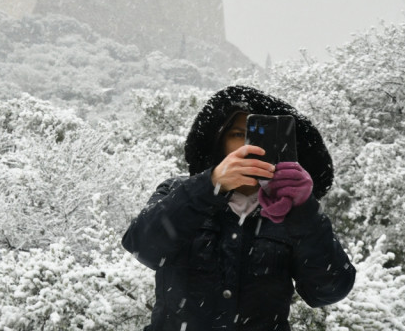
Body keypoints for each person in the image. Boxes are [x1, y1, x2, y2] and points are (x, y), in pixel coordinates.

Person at [122, 85, 355, 330]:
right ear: (219, 142)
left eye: (259, 135)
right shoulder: (178, 190)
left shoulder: (293, 210)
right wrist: (209, 185)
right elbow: (141, 246)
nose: (248, 145)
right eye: (236, 134)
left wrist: (304, 211)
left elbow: (329, 289)